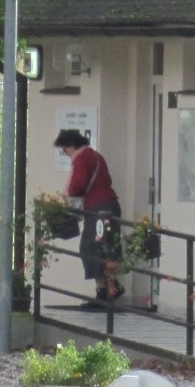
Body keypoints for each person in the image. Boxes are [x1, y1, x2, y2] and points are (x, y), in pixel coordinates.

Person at [57, 128, 123, 308]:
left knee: (90, 247)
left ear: (71, 145)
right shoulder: (96, 156)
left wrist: (66, 199)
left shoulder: (82, 158)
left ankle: (105, 291)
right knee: (106, 247)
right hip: (109, 206)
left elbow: (78, 184)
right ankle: (109, 289)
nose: (65, 153)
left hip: (97, 208)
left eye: (64, 149)